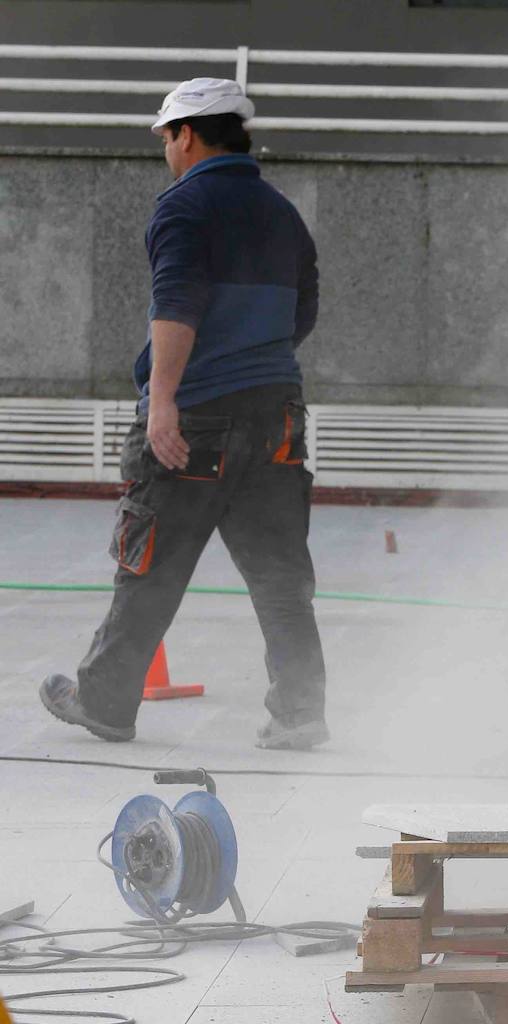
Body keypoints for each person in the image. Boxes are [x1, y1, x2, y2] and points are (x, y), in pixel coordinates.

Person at [39, 78, 328, 751]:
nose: (166, 151)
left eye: (166, 137)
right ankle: (300, 712)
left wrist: (163, 402)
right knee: (282, 577)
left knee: (150, 567)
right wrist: (258, 359)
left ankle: (106, 704)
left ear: (186, 136)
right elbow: (303, 311)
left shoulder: (185, 205)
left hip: (198, 417)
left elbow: (175, 305)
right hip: (276, 416)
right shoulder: (281, 212)